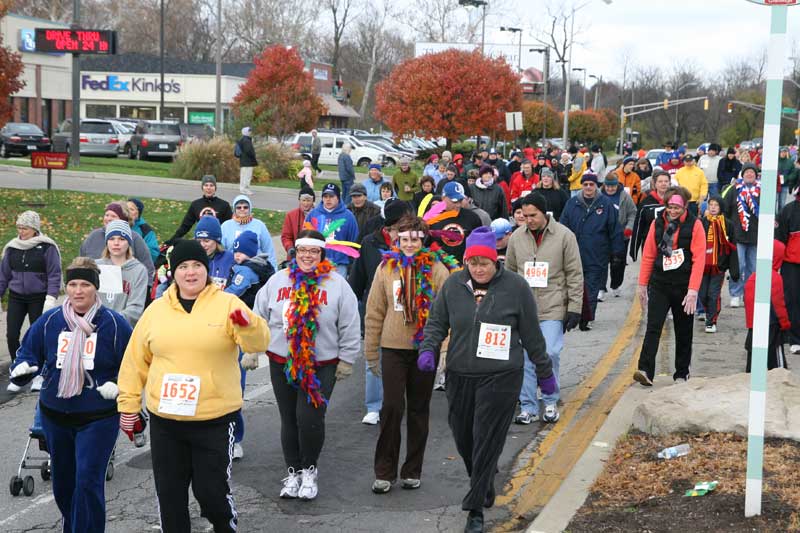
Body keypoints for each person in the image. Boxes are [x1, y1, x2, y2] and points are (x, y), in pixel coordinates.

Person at [118, 239, 269, 532]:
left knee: (210, 491)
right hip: (167, 421)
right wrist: (128, 405)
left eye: (197, 265)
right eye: (183, 267)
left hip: (213, 419)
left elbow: (258, 343)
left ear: (207, 269)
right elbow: (135, 362)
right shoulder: (156, 310)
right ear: (173, 272)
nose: (190, 272)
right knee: (170, 495)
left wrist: (247, 324)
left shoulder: (227, 304)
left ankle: (224, 524)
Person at [418, 227, 556, 533]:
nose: (479, 268)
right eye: (473, 262)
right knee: (465, 439)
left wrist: (545, 376)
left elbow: (533, 336)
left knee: (486, 438)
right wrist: (428, 351)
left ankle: (475, 508)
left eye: (485, 263)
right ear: (466, 262)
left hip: (502, 376)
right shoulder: (453, 285)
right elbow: (436, 323)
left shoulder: (516, 287)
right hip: (460, 375)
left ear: (496, 262)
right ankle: (483, 481)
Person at [10, 257, 132, 532]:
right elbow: (29, 352)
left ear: (95, 288)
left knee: (87, 480)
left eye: (85, 284)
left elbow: (135, 365)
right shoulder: (49, 321)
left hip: (98, 417)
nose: (78, 291)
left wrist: (117, 385)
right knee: (64, 484)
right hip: (55, 416)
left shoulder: (114, 324)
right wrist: (24, 368)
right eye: (73, 284)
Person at [253, 229, 359, 500]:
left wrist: (347, 358)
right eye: (303, 251)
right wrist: (252, 349)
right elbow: (258, 316)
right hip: (282, 360)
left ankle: (310, 470)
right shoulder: (277, 281)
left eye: (313, 251)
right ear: (295, 252)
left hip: (320, 363)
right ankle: (293, 472)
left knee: (309, 418)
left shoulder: (337, 284)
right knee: (289, 419)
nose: (307, 256)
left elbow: (349, 323)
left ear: (321, 254)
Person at [366, 215, 459, 494]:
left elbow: (448, 313)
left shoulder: (437, 269)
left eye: (414, 240)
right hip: (393, 347)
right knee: (392, 407)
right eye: (403, 239)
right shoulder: (386, 268)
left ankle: (412, 470)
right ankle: (384, 471)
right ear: (397, 240)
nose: (408, 244)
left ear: (423, 240)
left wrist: (443, 350)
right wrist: (371, 351)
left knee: (419, 410)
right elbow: (374, 311)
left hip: (425, 350)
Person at [506, 192, 583, 425]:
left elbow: (575, 273)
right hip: (524, 308)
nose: (529, 220)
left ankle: (550, 400)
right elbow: (508, 273)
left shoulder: (564, 236)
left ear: (544, 212)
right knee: (526, 358)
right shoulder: (517, 238)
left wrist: (575, 307)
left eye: (533, 215)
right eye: (524, 215)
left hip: (553, 305)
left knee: (548, 353)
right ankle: (528, 406)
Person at [634, 187, 706, 386]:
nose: (673, 211)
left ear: (684, 207)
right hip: (660, 283)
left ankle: (682, 373)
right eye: (670, 206)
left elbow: (699, 259)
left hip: (684, 285)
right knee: (653, 326)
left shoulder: (695, 225)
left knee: (683, 330)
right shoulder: (657, 224)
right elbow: (648, 255)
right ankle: (645, 369)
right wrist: (642, 285)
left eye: (677, 207)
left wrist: (693, 291)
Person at [350, 201, 414, 425]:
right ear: (390, 226)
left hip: (406, 313)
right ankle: (374, 406)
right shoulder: (369, 242)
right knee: (373, 358)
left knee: (403, 360)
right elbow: (358, 277)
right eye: (401, 227)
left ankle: (398, 401)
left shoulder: (413, 246)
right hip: (376, 308)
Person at [224, 230, 275, 459]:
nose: (237, 255)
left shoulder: (246, 271)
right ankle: (231, 439)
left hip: (240, 327)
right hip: (240, 328)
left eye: (242, 251)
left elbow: (231, 294)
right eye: (235, 251)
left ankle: (235, 441)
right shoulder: (259, 267)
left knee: (234, 388)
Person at [560, 173, 624, 329]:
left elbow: (614, 229)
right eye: (586, 184)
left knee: (592, 287)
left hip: (598, 252)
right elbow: (562, 227)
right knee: (574, 285)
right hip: (574, 252)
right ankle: (571, 313)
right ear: (582, 185)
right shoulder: (572, 203)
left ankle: (586, 318)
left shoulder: (605, 204)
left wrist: (617, 252)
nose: (588, 187)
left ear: (596, 186)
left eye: (591, 184)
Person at [1, 211, 61, 373]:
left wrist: (51, 298)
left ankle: (40, 367)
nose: (21, 231)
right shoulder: (12, 248)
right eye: (19, 228)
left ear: (35, 229)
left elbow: (54, 274)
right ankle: (17, 364)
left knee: (37, 334)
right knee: (12, 335)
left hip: (38, 298)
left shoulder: (47, 247)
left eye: (25, 228)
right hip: (16, 298)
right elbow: (4, 275)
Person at [79, 201, 155, 290]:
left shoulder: (134, 238)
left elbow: (148, 267)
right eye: (107, 215)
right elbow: (81, 261)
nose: (109, 219)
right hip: (95, 288)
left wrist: (145, 289)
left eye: (113, 216)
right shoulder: (94, 236)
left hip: (126, 290)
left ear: (124, 219)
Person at [744, 240, 791, 371]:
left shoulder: (753, 277)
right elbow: (779, 304)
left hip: (754, 326)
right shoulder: (775, 277)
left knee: (753, 362)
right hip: (772, 326)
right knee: (777, 366)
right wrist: (785, 323)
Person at [95, 220, 148, 326]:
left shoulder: (139, 271)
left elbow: (136, 308)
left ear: (128, 242)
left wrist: (111, 321)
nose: (116, 243)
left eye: (122, 239)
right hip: (93, 326)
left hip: (123, 328)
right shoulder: (95, 267)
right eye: (111, 239)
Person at [699, 196, 739, 333]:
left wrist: (734, 270)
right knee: (702, 294)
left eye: (716, 205)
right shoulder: (701, 223)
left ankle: (711, 321)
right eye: (711, 205)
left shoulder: (728, 225)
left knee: (713, 294)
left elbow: (733, 248)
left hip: (719, 267)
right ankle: (708, 311)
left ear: (721, 207)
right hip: (703, 266)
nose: (713, 207)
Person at [725, 163, 760, 308]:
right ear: (742, 174)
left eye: (752, 172)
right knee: (738, 266)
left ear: (756, 175)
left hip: (756, 235)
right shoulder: (734, 190)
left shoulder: (762, 190)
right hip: (738, 234)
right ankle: (735, 294)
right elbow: (725, 210)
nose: (749, 175)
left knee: (752, 268)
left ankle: (749, 293)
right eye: (747, 172)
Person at [306, 183, 359, 277]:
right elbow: (306, 237)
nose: (328, 199)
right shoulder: (313, 215)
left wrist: (351, 263)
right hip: (316, 263)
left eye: (331, 196)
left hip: (339, 265)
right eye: (325, 196)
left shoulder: (348, 216)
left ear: (338, 197)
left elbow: (354, 240)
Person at [165, 175, 233, 245]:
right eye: (206, 185)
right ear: (202, 188)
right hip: (200, 240)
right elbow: (185, 226)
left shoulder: (224, 205)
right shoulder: (196, 204)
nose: (208, 188)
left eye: (211, 185)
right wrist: (172, 241)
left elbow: (230, 227)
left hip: (218, 241)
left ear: (215, 188)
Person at [428, 182, 483, 264]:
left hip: (466, 267)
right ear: (443, 198)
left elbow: (480, 244)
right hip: (440, 267)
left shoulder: (473, 218)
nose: (458, 205)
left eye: (460, 201)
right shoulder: (432, 218)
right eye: (454, 201)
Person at [601, 175, 636, 298]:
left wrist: (629, 227)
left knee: (618, 263)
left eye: (613, 186)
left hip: (621, 235)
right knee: (601, 262)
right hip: (602, 235)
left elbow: (632, 212)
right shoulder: (599, 195)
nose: (610, 189)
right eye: (608, 186)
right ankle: (601, 288)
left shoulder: (624, 196)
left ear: (617, 185)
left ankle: (615, 285)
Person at [220, 195, 278, 270]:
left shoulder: (259, 225)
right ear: (234, 209)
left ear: (250, 208)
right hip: (232, 267)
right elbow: (221, 251)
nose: (242, 209)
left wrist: (273, 271)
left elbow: (269, 250)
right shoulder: (226, 226)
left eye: (245, 207)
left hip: (256, 268)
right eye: (239, 207)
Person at [776, 189, 800, 354]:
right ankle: (795, 338)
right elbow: (779, 238)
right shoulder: (788, 209)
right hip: (791, 264)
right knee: (792, 300)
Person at [631, 170, 671, 261]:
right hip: (650, 243)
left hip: (670, 243)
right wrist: (634, 250)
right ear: (654, 184)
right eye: (660, 181)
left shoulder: (675, 200)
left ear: (670, 183)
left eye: (666, 181)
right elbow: (638, 227)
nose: (663, 184)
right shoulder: (646, 202)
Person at [195, 215, 235, 289]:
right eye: (198, 241)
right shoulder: (191, 259)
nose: (202, 245)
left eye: (207, 241)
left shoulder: (230, 259)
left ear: (217, 241)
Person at [281, 188, 316, 254]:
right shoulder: (291, 215)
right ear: (299, 200)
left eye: (308, 200)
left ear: (313, 201)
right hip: (296, 254)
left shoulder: (319, 216)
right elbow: (286, 236)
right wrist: (290, 248)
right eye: (303, 200)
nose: (305, 203)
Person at [126, 198, 159, 264]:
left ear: (138, 214)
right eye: (126, 209)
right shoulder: (116, 224)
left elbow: (154, 253)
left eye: (131, 209)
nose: (128, 212)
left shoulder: (145, 230)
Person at [236, 126, 258, 196]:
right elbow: (248, 151)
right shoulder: (246, 140)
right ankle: (246, 189)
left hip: (244, 161)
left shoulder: (243, 139)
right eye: (249, 131)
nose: (250, 132)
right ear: (246, 132)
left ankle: (242, 189)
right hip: (247, 161)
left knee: (243, 176)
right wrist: (253, 155)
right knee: (247, 176)